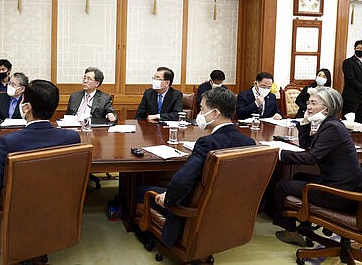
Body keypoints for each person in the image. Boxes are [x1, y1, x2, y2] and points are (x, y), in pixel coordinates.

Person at [135, 87, 256, 246]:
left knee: (140, 190)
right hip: (226, 209)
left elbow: (182, 181)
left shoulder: (207, 143)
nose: (199, 115)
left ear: (215, 114)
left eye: (202, 109)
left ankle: (147, 234)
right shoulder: (249, 143)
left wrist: (168, 197)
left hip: (195, 207)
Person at [0, 79, 81, 249]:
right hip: (55, 224)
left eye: (22, 101)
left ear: (26, 107)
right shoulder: (72, 138)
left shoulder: (9, 142)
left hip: (14, 231)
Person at [273, 87, 362, 246]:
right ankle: (305, 224)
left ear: (326, 108)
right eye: (308, 102)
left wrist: (279, 153)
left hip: (340, 194)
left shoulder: (332, 127)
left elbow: (311, 158)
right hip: (344, 186)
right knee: (299, 176)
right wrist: (305, 122)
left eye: (313, 103)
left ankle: (290, 231)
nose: (308, 106)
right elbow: (307, 145)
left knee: (281, 186)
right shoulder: (331, 123)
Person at [342, 40, 362, 123]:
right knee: (350, 124)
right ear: (354, 49)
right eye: (358, 48)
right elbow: (350, 79)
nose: (360, 50)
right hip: (351, 98)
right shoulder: (348, 62)